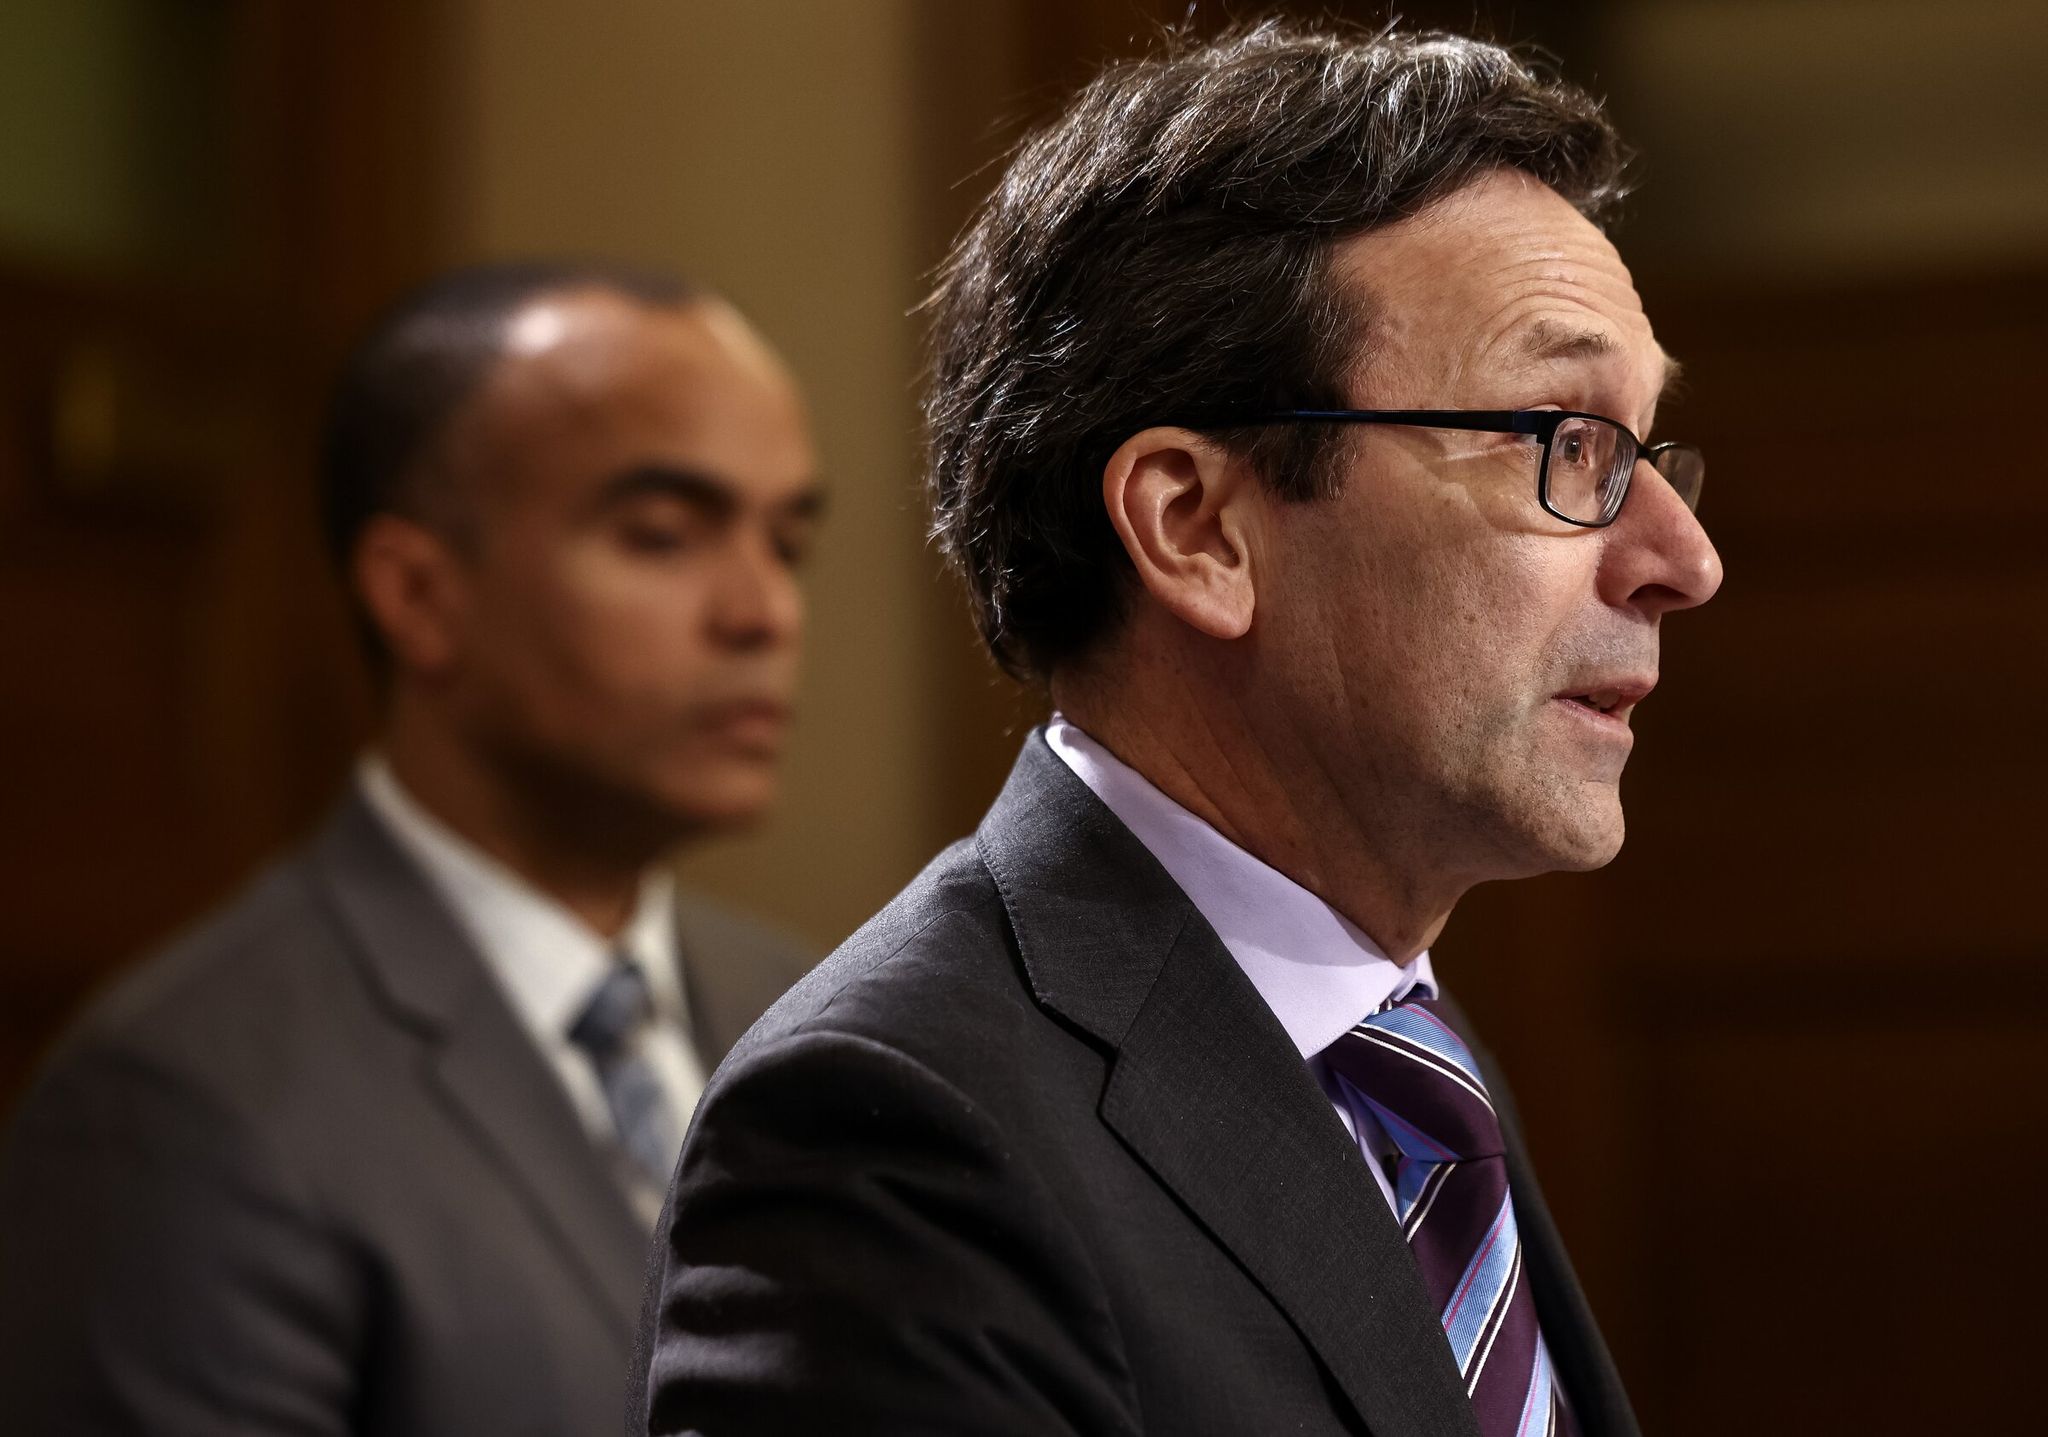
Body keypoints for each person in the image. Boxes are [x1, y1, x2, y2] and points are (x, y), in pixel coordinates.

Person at [635, 23, 1721, 1437]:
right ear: (1199, 527)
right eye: (1567, 442)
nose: (1680, 556)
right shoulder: (895, 1129)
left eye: (1647, 449)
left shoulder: (1409, 1075)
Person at [0, 262, 823, 1435]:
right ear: (419, 595)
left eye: (787, 543)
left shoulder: (811, 1009)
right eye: (661, 535)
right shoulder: (175, 1104)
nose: (762, 612)